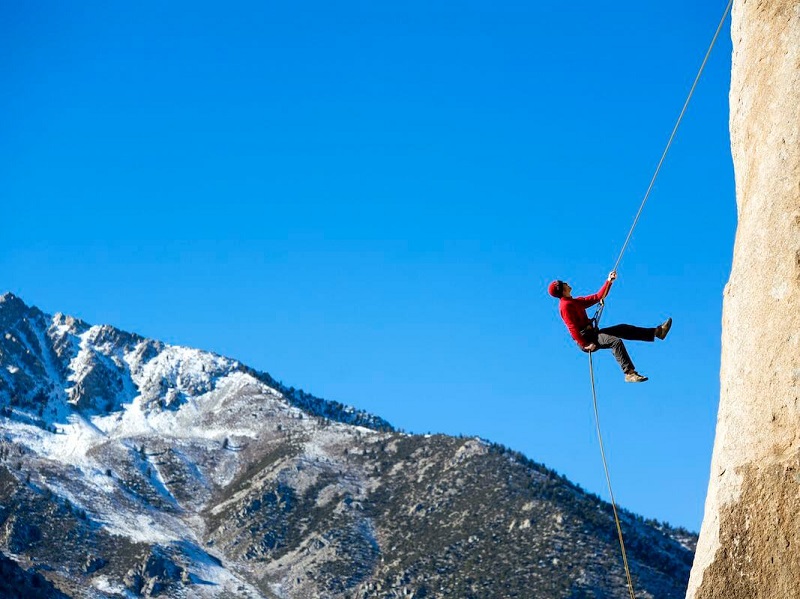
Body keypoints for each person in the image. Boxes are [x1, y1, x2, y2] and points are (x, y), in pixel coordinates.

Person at [548, 271, 672, 382]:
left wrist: (609, 281)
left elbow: (597, 296)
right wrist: (585, 345)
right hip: (587, 339)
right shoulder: (565, 306)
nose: (566, 283)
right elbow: (572, 328)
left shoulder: (574, 301)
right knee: (615, 342)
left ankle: (657, 332)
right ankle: (629, 373)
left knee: (623, 328)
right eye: (563, 283)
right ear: (562, 290)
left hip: (593, 334)